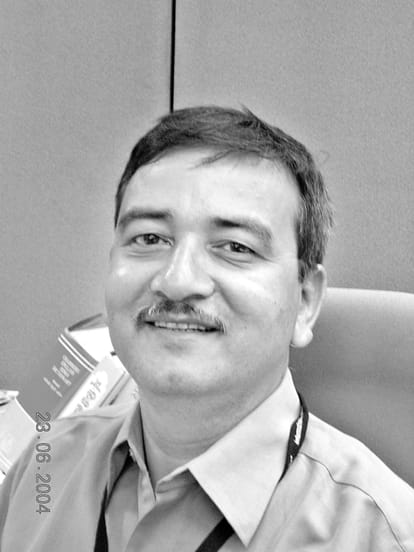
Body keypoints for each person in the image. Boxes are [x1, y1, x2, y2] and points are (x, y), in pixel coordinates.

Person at [0, 106, 413, 551]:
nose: (177, 280)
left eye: (235, 247)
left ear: (306, 302)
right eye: (150, 238)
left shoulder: (382, 536)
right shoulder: (44, 463)